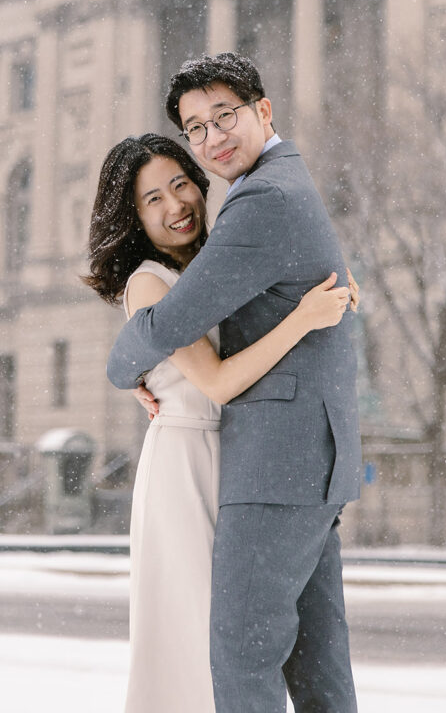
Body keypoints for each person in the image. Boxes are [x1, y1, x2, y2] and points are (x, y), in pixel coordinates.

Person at [107, 53, 362, 713]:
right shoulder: (274, 192)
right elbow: (169, 330)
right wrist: (125, 363)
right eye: (198, 127)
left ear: (263, 111)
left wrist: (123, 365)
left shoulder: (257, 204)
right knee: (291, 660)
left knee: (242, 655)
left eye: (225, 117)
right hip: (233, 462)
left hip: (267, 462)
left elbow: (181, 328)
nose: (214, 136)